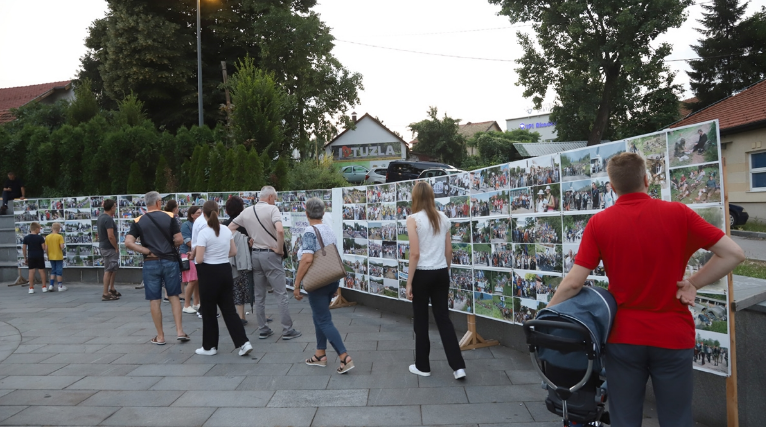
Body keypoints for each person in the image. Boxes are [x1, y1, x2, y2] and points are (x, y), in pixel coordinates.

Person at [547, 152, 744, 427]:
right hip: (673, 334)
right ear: (647, 179)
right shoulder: (679, 213)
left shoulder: (600, 222)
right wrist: (693, 283)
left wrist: (547, 315)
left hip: (623, 336)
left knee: (624, 418)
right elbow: (734, 254)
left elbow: (573, 283)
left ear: (612, 187)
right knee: (677, 418)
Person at [405, 182, 466, 380]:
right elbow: (449, 251)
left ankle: (423, 366)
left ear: (415, 197)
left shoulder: (413, 219)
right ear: (431, 196)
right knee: (444, 319)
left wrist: (408, 282)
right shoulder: (444, 218)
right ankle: (458, 367)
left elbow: (414, 254)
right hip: (441, 272)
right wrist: (445, 269)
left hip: (422, 274)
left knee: (421, 320)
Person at [228, 186, 301, 340]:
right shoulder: (272, 209)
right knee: (281, 293)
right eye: (274, 198)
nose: (275, 201)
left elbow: (229, 229)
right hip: (271, 255)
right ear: (269, 197)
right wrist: (279, 249)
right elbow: (280, 231)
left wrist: (246, 239)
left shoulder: (247, 211)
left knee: (259, 295)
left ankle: (263, 328)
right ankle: (287, 330)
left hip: (255, 254)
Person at [293, 197, 355, 374]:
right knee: (319, 316)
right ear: (323, 212)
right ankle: (320, 354)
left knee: (323, 319)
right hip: (330, 279)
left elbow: (307, 259)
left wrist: (297, 284)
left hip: (317, 281)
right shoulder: (328, 229)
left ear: (306, 213)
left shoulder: (309, 231)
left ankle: (344, 357)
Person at [125, 191, 189, 345]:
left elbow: (128, 242)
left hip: (150, 262)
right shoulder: (170, 217)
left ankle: (160, 336)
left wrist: (145, 250)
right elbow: (179, 239)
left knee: (154, 299)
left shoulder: (138, 220)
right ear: (159, 202)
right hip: (170, 261)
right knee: (174, 296)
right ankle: (180, 331)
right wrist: (168, 246)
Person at [193, 201, 253, 356]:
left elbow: (199, 259)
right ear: (218, 211)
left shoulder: (204, 233)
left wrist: (206, 254)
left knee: (209, 311)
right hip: (225, 270)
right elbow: (233, 251)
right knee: (229, 310)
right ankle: (243, 342)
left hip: (208, 273)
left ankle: (209, 346)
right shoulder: (226, 230)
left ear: (204, 214)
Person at [223, 197, 253, 324]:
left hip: (229, 260)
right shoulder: (245, 225)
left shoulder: (224, 225)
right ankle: (245, 315)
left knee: (235, 286)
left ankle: (240, 315)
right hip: (245, 261)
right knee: (247, 286)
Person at [97, 199, 121, 301]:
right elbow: (110, 236)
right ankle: (105, 293)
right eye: (115, 207)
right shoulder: (108, 219)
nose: (115, 209)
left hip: (104, 246)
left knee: (112, 269)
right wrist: (116, 247)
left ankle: (111, 288)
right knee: (108, 270)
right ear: (111, 208)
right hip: (109, 247)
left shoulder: (101, 217)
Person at [181, 206, 201, 313]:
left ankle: (196, 302)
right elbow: (188, 241)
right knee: (192, 280)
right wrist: (201, 244)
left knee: (197, 280)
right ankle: (186, 304)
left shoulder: (200, 224)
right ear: (192, 215)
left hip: (197, 253)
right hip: (187, 254)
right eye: (198, 213)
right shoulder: (186, 225)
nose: (200, 215)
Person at [22, 222, 46, 294]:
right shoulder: (40, 237)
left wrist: (25, 258)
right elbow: (43, 247)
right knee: (41, 271)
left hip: (31, 256)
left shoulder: (26, 238)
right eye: (39, 229)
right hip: (39, 256)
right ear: (36, 229)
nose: (40, 230)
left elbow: (24, 248)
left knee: (31, 272)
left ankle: (31, 288)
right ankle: (44, 287)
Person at [45, 222, 66, 292]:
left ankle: (51, 285)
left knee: (53, 270)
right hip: (58, 256)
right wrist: (62, 246)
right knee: (59, 271)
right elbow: (62, 247)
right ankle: (60, 286)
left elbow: (46, 248)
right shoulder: (59, 236)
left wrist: (48, 255)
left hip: (51, 256)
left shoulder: (47, 237)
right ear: (59, 229)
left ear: (52, 228)